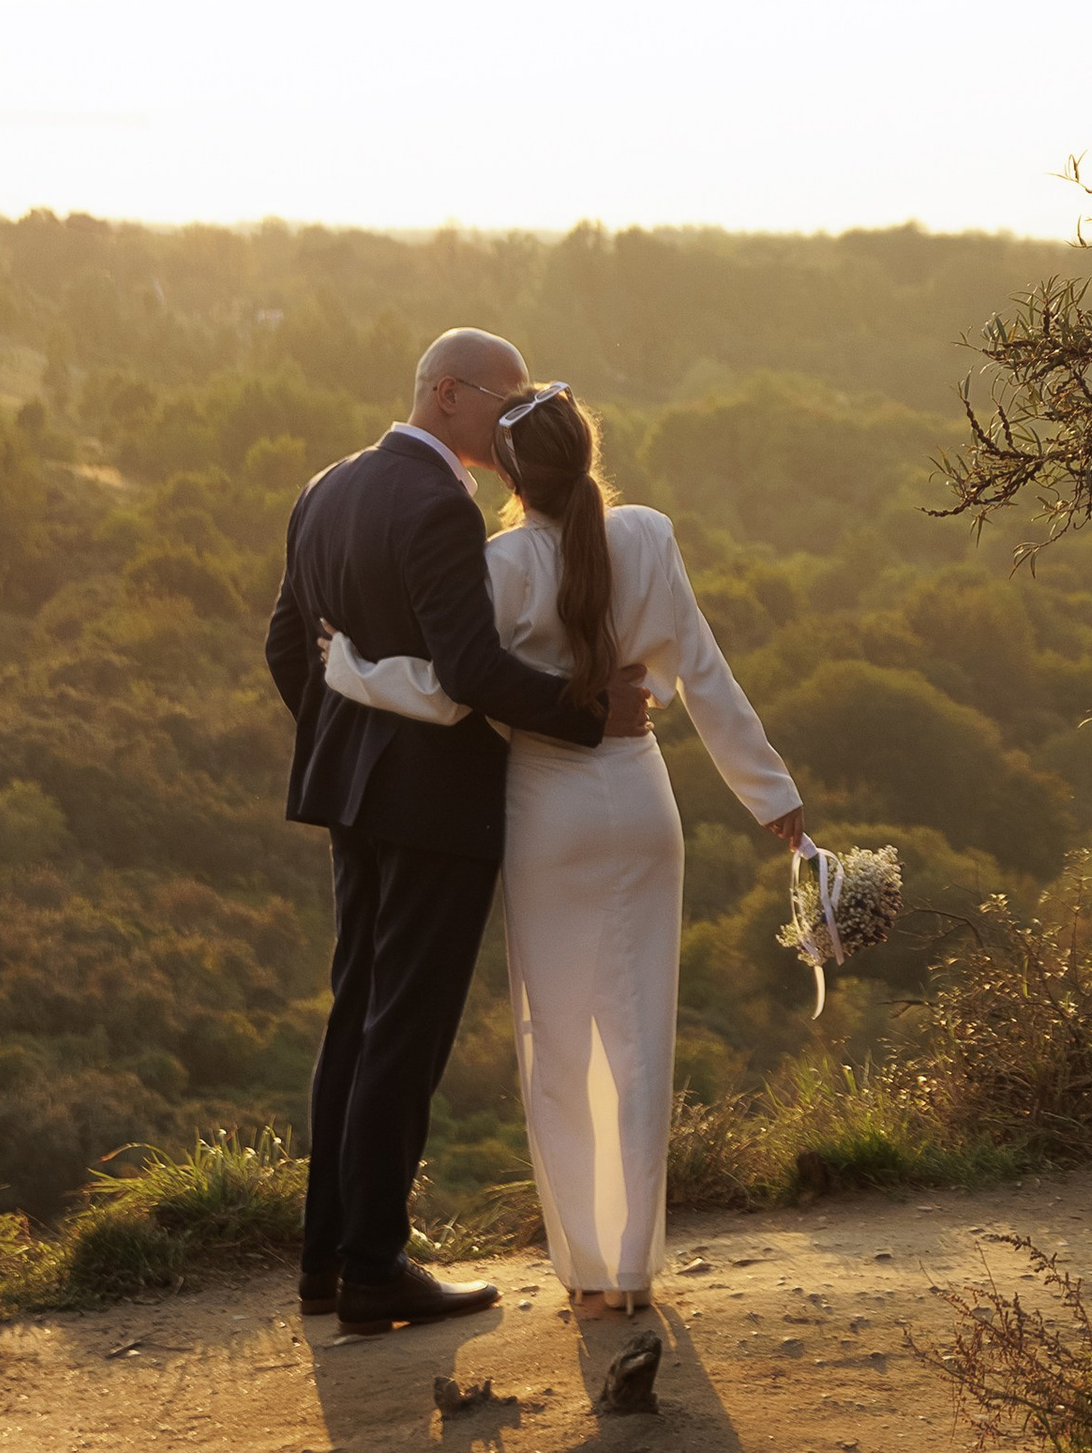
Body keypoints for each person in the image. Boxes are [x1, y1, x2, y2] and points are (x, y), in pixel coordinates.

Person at [320, 380, 804, 1319]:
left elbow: (449, 690)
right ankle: (633, 1271)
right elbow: (705, 675)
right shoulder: (651, 536)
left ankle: (585, 1273)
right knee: (640, 1037)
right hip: (642, 797)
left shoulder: (500, 564)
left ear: (506, 473)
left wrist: (353, 668)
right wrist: (774, 800)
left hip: (548, 806)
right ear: (589, 448)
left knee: (560, 1048)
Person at [264, 328, 653, 1334]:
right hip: (435, 802)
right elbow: (472, 668)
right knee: (407, 1025)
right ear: (446, 396)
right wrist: (588, 712)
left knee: (356, 1015)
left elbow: (286, 649)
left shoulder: (326, 487)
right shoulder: (438, 503)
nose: (517, 416)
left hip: (352, 793)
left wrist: (346, 743)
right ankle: (376, 1267)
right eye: (503, 397)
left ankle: (326, 1263)